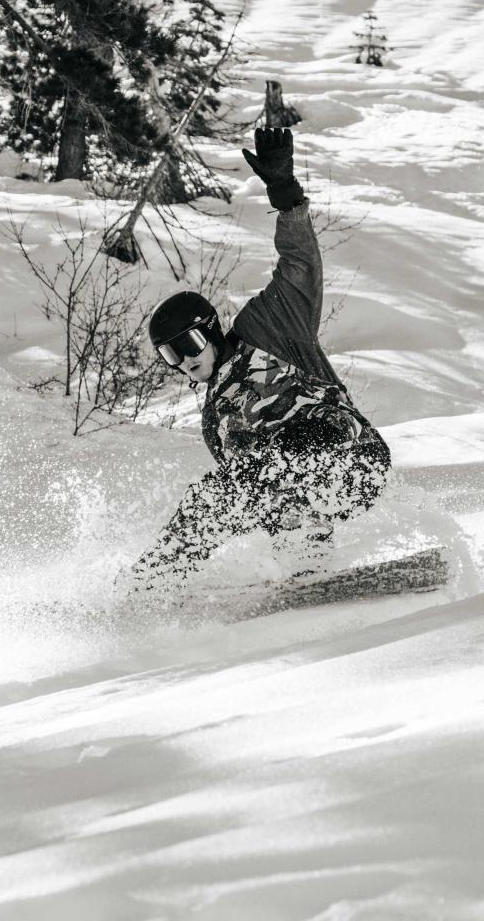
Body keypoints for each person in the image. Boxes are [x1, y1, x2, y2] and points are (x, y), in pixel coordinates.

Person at [129, 128, 391, 594]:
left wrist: (286, 196)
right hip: (299, 482)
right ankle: (152, 585)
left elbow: (299, 266)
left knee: (277, 453)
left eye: (187, 345)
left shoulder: (268, 328)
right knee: (218, 493)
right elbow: (254, 496)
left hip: (353, 457)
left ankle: (308, 560)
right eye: (169, 355)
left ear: (208, 328)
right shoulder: (216, 419)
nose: (182, 361)